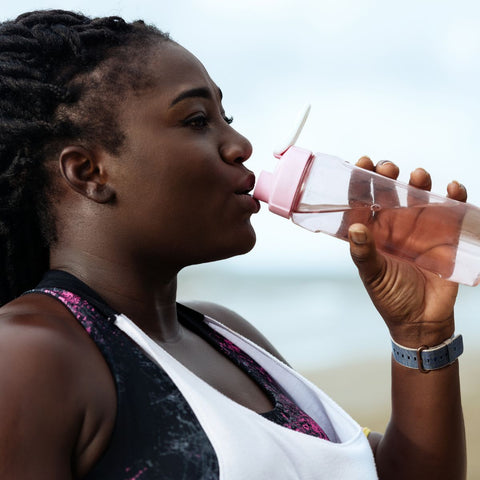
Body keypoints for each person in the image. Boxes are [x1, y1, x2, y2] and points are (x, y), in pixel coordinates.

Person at [0, 9, 466, 480]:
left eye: (227, 118)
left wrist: (420, 335)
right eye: (198, 120)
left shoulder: (226, 334)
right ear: (88, 172)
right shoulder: (28, 354)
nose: (240, 144)